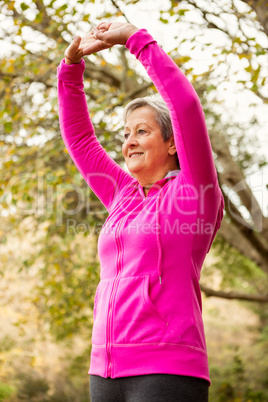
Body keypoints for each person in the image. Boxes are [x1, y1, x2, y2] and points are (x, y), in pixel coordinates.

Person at [57, 21, 224, 402]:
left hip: (166, 369)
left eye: (142, 132)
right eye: (126, 133)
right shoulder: (121, 195)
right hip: (104, 369)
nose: (129, 141)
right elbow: (80, 138)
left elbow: (185, 106)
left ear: (171, 143)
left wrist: (135, 39)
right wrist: (70, 68)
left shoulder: (195, 193)